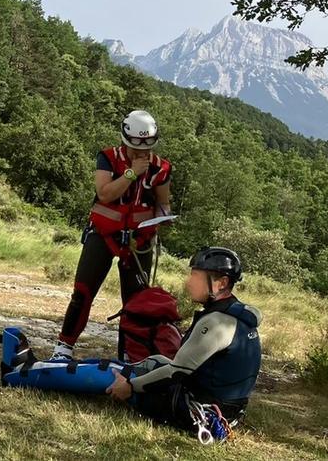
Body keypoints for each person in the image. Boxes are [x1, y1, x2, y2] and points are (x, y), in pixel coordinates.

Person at [52, 110, 172, 360]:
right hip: (103, 235)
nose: (142, 152)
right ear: (124, 141)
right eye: (135, 147)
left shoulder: (161, 169)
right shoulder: (108, 158)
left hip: (139, 244)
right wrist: (131, 173)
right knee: (83, 291)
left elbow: (163, 202)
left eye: (147, 147)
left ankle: (130, 356)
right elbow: (104, 193)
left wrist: (162, 219)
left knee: (136, 303)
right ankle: (64, 348)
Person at [107, 247, 262, 432]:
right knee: (155, 361)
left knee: (117, 382)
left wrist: (130, 387)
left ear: (221, 283)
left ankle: (76, 376)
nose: (189, 283)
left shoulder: (217, 322)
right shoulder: (237, 313)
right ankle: (116, 373)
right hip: (229, 409)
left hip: (204, 414)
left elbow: (175, 373)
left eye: (195, 276)